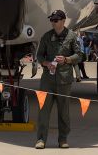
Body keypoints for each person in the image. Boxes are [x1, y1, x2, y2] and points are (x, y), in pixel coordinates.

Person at [35, 10, 83, 150]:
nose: (53, 23)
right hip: (48, 80)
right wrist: (46, 63)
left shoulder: (71, 36)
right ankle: (40, 139)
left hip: (64, 79)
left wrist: (67, 59)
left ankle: (63, 139)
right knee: (43, 111)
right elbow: (39, 56)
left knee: (64, 112)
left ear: (63, 21)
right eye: (52, 20)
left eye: (56, 20)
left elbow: (79, 55)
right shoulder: (46, 37)